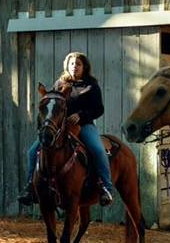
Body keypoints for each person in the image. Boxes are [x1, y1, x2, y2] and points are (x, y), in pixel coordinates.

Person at [18, 51, 114, 207]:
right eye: (72, 63)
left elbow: (99, 109)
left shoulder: (91, 85)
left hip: (84, 125)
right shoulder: (59, 84)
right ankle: (30, 187)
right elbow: (53, 106)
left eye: (78, 64)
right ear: (67, 66)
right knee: (32, 151)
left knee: (97, 150)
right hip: (60, 127)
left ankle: (106, 187)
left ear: (84, 67)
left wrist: (81, 115)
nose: (75, 66)